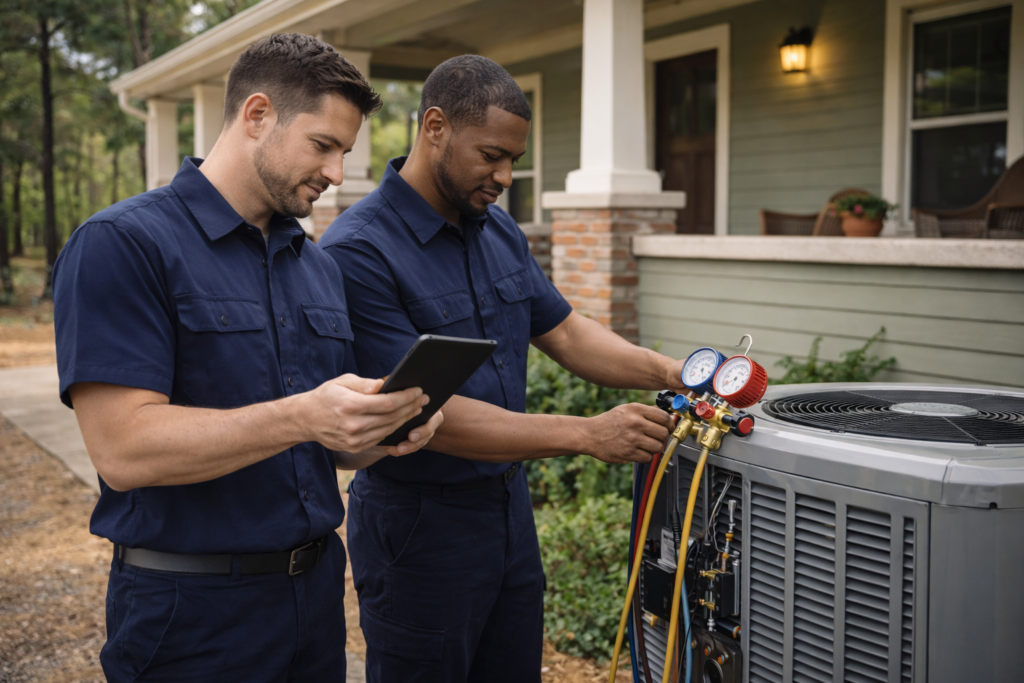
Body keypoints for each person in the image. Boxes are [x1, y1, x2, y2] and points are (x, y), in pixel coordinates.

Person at [52, 34, 442, 683]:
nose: (338, 172)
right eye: (324, 145)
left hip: (314, 601)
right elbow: (122, 449)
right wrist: (303, 416)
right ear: (257, 115)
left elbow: (321, 441)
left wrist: (381, 433)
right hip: (191, 616)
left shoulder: (316, 266)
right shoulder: (123, 244)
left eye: (345, 151)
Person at [318, 55, 688, 683]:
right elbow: (422, 409)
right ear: (434, 126)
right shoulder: (359, 252)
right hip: (420, 529)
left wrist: (676, 372)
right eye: (492, 155)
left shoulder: (497, 231)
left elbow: (567, 332)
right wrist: (587, 434)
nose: (506, 175)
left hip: (508, 515)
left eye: (513, 158)